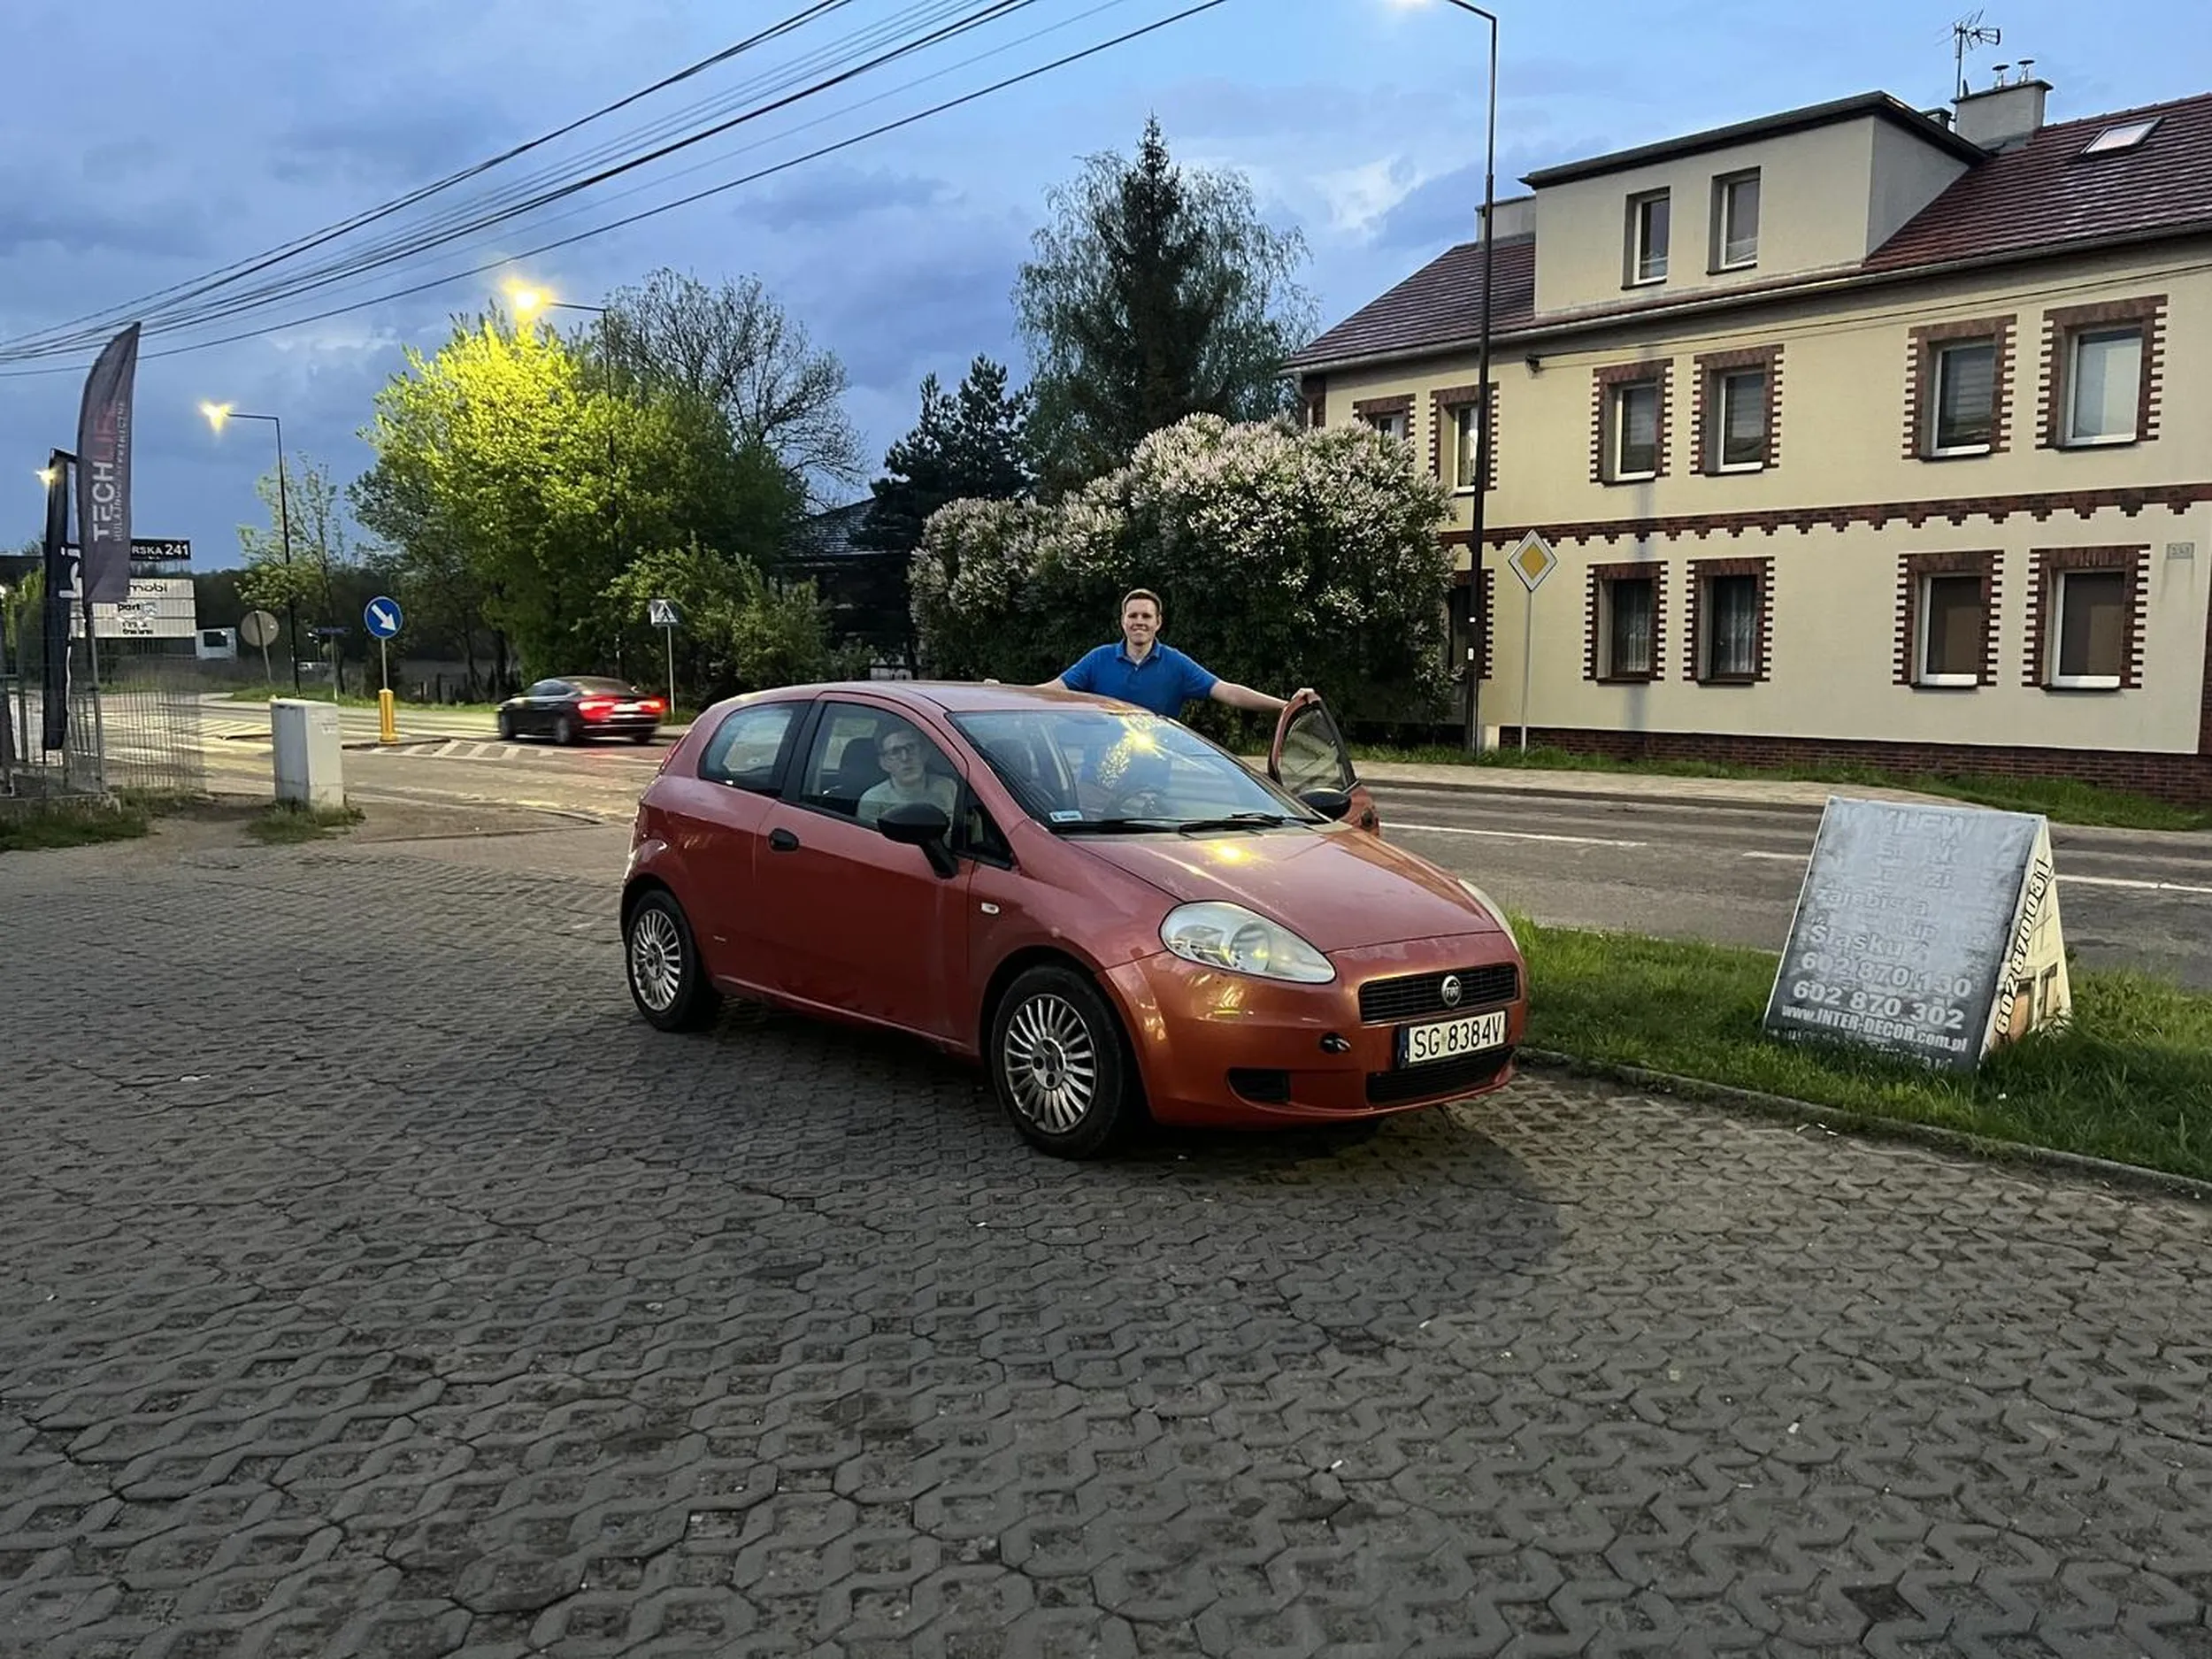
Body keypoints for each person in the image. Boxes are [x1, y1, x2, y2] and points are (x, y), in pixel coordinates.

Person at [1034, 588, 1309, 719]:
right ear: (1123, 621)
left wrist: (1285, 706)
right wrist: (998, 692)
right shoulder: (1098, 659)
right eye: (1133, 615)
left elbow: (1227, 691)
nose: (1139, 621)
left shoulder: (1176, 664)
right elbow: (1051, 690)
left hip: (1153, 777)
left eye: (1146, 616)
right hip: (1097, 774)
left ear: (1158, 622)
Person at [856, 726, 958, 827]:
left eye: (911, 747)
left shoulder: (948, 788)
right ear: (884, 763)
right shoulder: (872, 799)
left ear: (925, 753)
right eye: (895, 752)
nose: (905, 757)